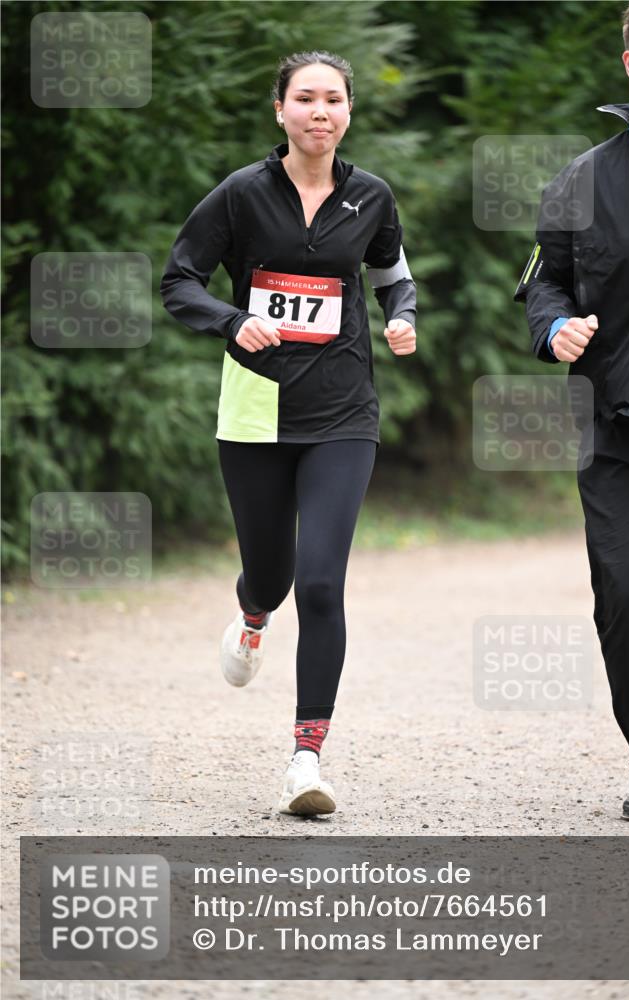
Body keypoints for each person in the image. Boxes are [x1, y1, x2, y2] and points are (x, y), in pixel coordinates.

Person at [160, 51, 417, 816]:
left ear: (347, 112)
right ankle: (249, 614)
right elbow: (178, 280)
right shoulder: (241, 195)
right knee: (270, 577)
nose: (319, 111)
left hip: (343, 413)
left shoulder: (368, 196)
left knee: (320, 582)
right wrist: (235, 321)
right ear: (280, 110)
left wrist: (402, 315)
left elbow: (391, 274)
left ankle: (305, 759)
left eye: (332, 99)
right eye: (304, 98)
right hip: (254, 413)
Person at [515, 0, 629, 822]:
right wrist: (552, 326)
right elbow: (544, 278)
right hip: (618, 425)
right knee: (628, 601)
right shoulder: (585, 177)